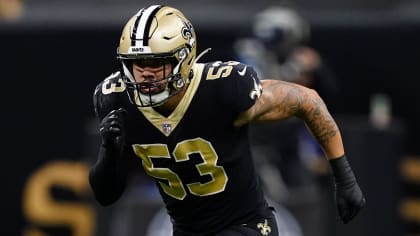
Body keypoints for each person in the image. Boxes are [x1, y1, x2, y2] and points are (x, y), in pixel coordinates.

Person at [89, 5, 366, 236]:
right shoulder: (116, 100)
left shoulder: (221, 89)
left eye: (156, 64)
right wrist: (109, 155)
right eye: (138, 65)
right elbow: (106, 196)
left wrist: (344, 177)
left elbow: (307, 100)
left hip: (245, 226)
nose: (145, 75)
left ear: (183, 60)